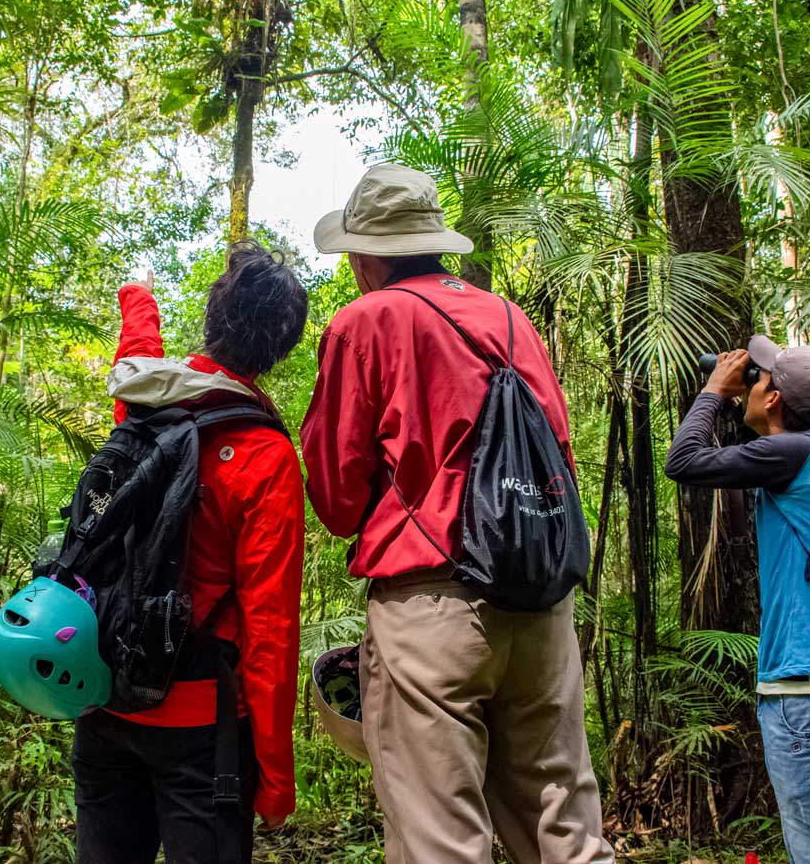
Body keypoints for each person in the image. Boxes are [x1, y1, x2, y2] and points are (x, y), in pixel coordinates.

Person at [300, 163, 615, 864]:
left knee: (439, 840)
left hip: (431, 609)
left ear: (365, 255)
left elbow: (338, 497)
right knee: (564, 829)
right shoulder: (511, 319)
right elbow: (556, 451)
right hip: (541, 604)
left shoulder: (366, 322)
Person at [72, 241, 308, 864]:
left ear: (211, 314)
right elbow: (271, 630)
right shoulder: (266, 456)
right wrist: (276, 779)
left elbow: (135, 356)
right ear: (280, 349)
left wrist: (138, 296)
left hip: (104, 697)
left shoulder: (147, 405)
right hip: (201, 734)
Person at [664, 338, 810, 864]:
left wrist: (714, 389)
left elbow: (684, 460)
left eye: (759, 379)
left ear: (776, 398)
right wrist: (744, 399)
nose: (749, 381)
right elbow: (744, 454)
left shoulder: (793, 454)